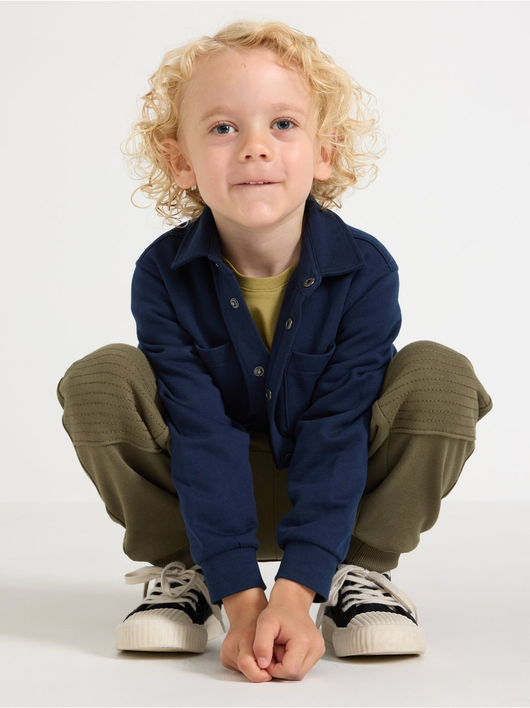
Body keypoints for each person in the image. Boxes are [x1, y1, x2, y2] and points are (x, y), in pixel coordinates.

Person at [56, 19, 493, 683]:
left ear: (324, 152)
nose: (255, 147)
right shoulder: (162, 274)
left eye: (283, 124)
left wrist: (294, 592)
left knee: (441, 376)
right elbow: (199, 428)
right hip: (201, 495)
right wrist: (241, 597)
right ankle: (191, 574)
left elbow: (339, 423)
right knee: (100, 379)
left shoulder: (365, 270)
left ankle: (353, 573)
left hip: (338, 493)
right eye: (223, 128)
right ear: (182, 162)